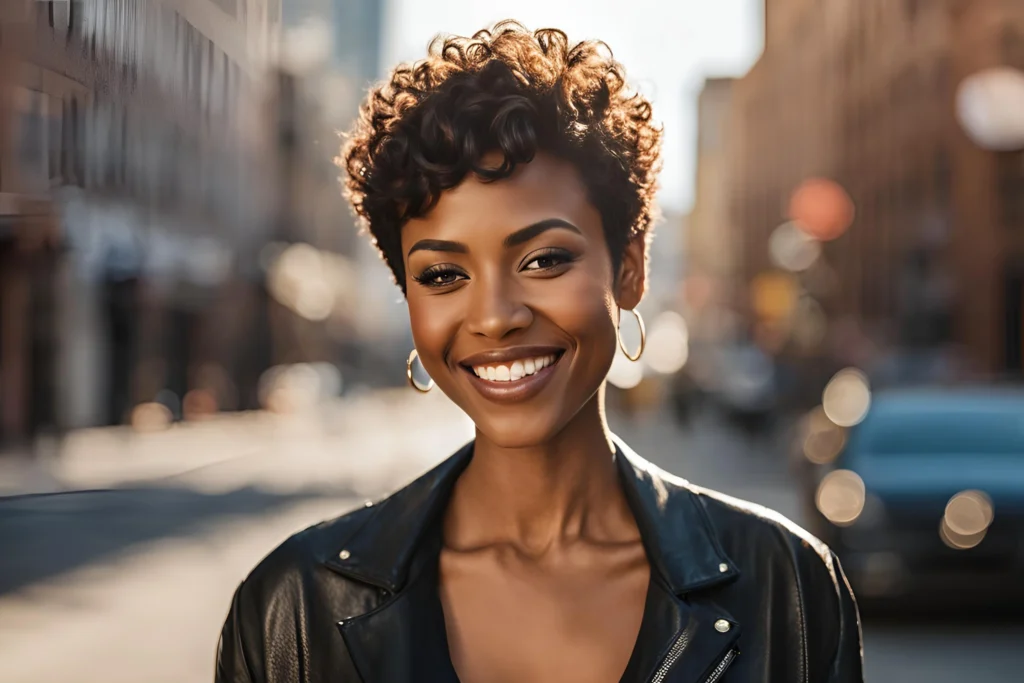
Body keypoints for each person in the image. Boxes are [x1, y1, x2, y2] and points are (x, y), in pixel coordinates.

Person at [215, 21, 863, 683]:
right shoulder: (290, 609)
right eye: (442, 275)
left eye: (544, 259)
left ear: (630, 269)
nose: (495, 316)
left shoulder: (788, 586)